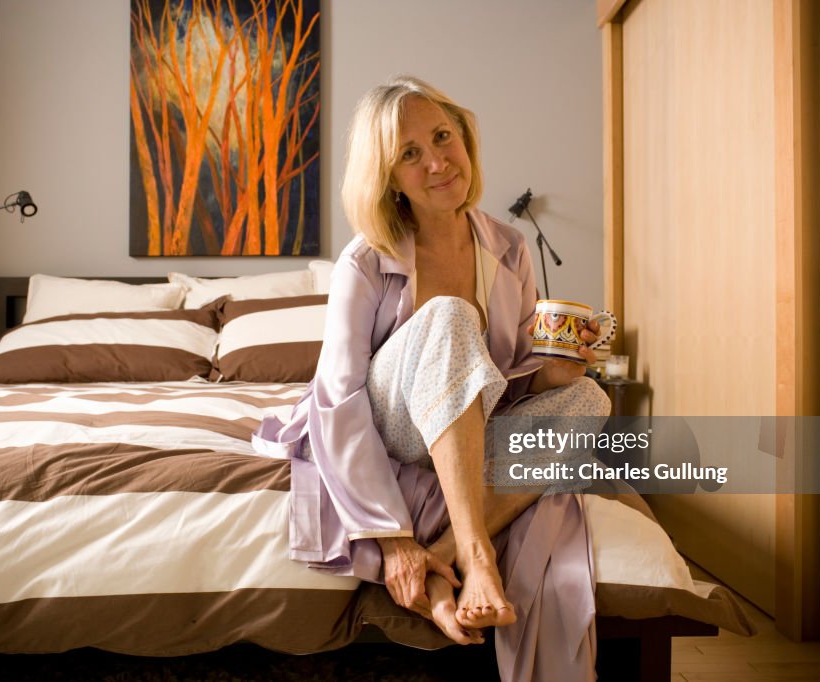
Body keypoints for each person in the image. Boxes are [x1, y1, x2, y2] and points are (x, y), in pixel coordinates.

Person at [253, 75, 611, 680]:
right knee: (448, 314)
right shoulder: (365, 260)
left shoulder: (509, 245)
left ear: (465, 137)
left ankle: (443, 556)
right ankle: (477, 555)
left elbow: (510, 372)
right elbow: (338, 394)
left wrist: (555, 374)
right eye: (410, 154)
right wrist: (391, 538)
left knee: (591, 400)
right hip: (390, 424)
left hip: (468, 414)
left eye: (443, 137)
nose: (438, 162)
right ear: (388, 176)